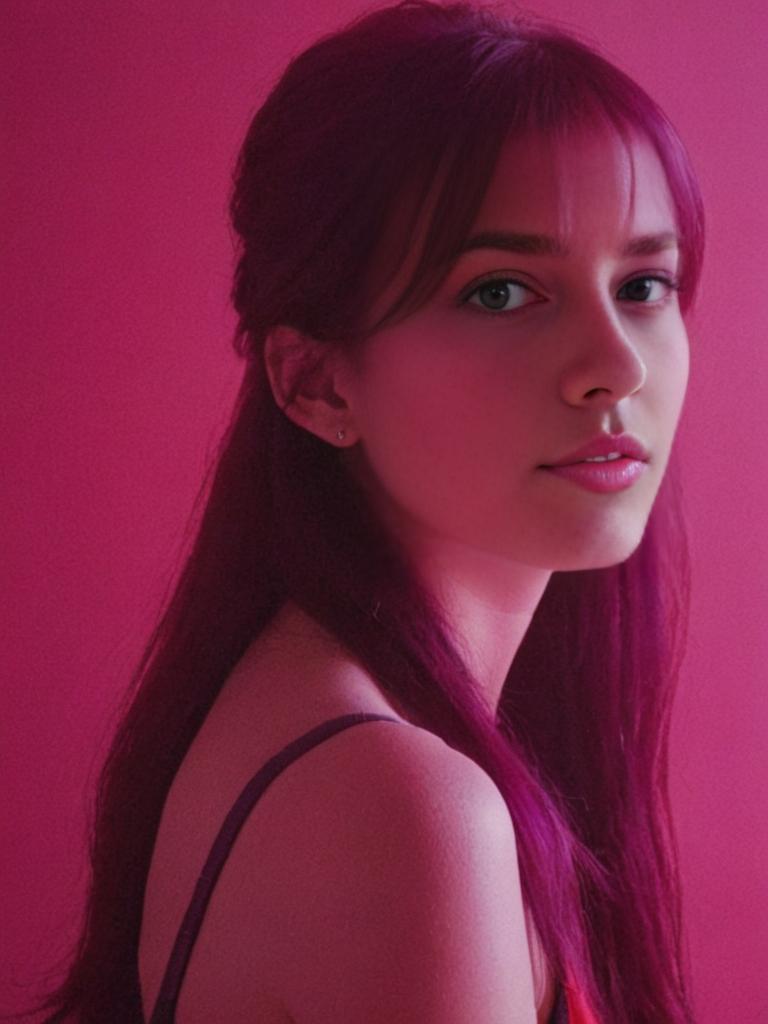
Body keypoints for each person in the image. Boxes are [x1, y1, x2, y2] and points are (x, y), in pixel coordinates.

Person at [27, 1, 704, 1021]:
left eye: (644, 283)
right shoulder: (399, 806)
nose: (616, 364)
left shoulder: (318, 703)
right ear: (317, 385)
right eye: (502, 292)